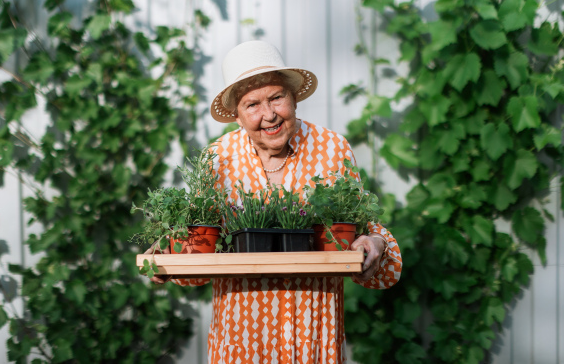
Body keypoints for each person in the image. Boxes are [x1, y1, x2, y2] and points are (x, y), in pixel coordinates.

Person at [146, 41, 402, 363]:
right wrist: (169, 251)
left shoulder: (331, 148)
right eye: (252, 105)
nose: (269, 115)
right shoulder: (218, 159)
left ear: (293, 99)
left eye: (277, 97)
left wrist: (374, 242)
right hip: (241, 339)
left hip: (313, 334)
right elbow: (201, 255)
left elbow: (364, 231)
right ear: (237, 117)